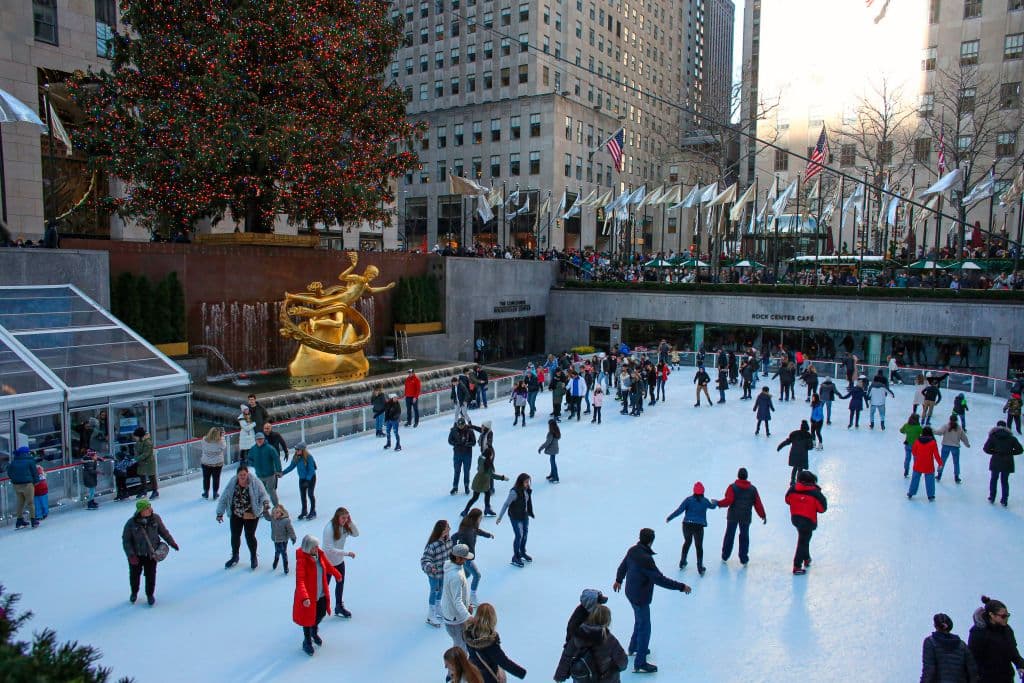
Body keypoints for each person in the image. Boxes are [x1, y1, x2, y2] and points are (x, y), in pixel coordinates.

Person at [613, 527, 691, 674]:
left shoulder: (632, 551)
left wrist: (618, 580)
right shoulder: (646, 559)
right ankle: (640, 662)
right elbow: (660, 579)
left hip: (630, 592)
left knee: (639, 621)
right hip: (640, 597)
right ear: (651, 541)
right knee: (645, 628)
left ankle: (633, 647)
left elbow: (623, 566)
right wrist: (681, 587)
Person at [122, 499, 179, 605]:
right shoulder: (131, 523)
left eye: (150, 507)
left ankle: (150, 594)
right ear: (141, 511)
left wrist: (172, 543)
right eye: (147, 508)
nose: (150, 509)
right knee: (134, 575)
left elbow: (164, 532)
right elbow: (126, 541)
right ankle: (134, 592)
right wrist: (131, 555)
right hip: (137, 555)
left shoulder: (155, 519)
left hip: (151, 554)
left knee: (151, 575)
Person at [293, 535, 342, 656]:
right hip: (308, 596)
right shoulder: (302, 561)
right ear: (308, 548)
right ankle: (307, 640)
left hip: (321, 593)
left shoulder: (320, 555)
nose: (316, 548)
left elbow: (328, 566)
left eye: (317, 546)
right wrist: (305, 597)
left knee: (321, 613)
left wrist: (336, 574)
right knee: (307, 619)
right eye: (314, 547)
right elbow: (300, 581)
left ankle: (314, 631)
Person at [216, 464, 271, 569]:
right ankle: (235, 556)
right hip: (236, 513)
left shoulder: (255, 482)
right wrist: (220, 513)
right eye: (240, 475)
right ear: (237, 475)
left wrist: (265, 503)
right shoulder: (233, 483)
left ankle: (253, 556)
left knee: (249, 536)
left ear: (247, 474)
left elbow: (263, 494)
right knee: (235, 535)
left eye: (244, 474)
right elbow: (224, 497)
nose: (242, 476)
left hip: (251, 514)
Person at [555, 604, 629, 682]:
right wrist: (612, 669)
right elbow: (623, 662)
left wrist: (559, 677)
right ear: (607, 620)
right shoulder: (609, 639)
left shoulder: (577, 636)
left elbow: (566, 657)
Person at [464, 603, 526, 683]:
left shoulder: (468, 632)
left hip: (473, 671)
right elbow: (504, 662)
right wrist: (522, 673)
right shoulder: (490, 644)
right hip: (487, 676)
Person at [665, 482, 718, 574]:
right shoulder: (705, 501)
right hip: (698, 526)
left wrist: (670, 517)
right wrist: (715, 502)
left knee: (687, 542)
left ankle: (682, 562)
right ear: (703, 491)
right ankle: (700, 567)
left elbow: (679, 510)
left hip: (687, 525)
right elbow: (712, 507)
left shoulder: (688, 500)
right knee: (699, 546)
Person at [717, 467, 767, 565]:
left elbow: (728, 501)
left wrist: (718, 503)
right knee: (744, 536)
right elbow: (758, 504)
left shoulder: (732, 487)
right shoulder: (753, 489)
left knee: (729, 535)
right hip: (745, 516)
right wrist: (763, 515)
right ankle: (743, 558)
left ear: (738, 476)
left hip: (733, 516)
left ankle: (725, 555)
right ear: (746, 476)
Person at [968, 595, 1024, 681]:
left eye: (1007, 615)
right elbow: (973, 658)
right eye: (1003, 616)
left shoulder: (1007, 630)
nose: (1006, 618)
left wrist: (1020, 665)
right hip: (986, 678)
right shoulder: (978, 632)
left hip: (1006, 677)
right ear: (991, 615)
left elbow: (1012, 650)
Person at [784, 470, 827, 575]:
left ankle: (806, 558)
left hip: (796, 519)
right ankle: (797, 565)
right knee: (803, 541)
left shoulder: (793, 489)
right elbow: (822, 508)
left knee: (803, 538)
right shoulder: (815, 493)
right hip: (808, 520)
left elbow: (787, 499)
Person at [322, 507, 358, 618]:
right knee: (324, 587)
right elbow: (329, 549)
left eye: (347, 518)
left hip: (339, 561)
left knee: (340, 584)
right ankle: (319, 607)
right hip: (327, 562)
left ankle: (338, 606)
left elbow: (356, 534)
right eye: (343, 518)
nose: (345, 520)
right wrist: (346, 553)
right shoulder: (329, 529)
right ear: (337, 517)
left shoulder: (345, 526)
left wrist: (350, 522)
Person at [921, 612, 978, 682]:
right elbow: (972, 670)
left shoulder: (930, 642)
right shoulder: (962, 645)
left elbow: (929, 670)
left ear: (935, 626)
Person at [453, 509, 493, 606]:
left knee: (466, 575)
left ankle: (456, 592)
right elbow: (454, 537)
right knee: (477, 575)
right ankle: (472, 597)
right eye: (480, 517)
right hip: (465, 557)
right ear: (476, 518)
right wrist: (456, 550)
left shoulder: (471, 527)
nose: (481, 518)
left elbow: (477, 531)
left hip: (466, 556)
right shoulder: (467, 530)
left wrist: (488, 535)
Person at [442, 543, 476, 651]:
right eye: (464, 558)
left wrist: (468, 604)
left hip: (455, 615)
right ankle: (457, 667)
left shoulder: (453, 565)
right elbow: (457, 601)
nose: (466, 560)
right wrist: (469, 617)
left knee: (462, 646)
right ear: (457, 557)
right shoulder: (456, 576)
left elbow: (461, 593)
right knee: (461, 649)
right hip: (455, 620)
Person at [496, 473, 534, 567]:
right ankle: (515, 557)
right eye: (526, 482)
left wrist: (529, 512)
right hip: (515, 517)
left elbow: (527, 502)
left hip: (524, 515)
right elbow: (506, 504)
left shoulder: (526, 490)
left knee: (525, 534)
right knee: (519, 535)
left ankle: (522, 552)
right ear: (521, 482)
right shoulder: (514, 492)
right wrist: (500, 517)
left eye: (528, 481)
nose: (528, 483)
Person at [421, 519, 454, 627]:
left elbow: (451, 555)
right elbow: (425, 560)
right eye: (447, 527)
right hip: (434, 574)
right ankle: (431, 615)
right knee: (434, 591)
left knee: (441, 590)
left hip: (444, 572)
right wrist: (431, 567)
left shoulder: (449, 541)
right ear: (442, 530)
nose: (449, 528)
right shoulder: (433, 545)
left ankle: (438, 608)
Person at [984, 420, 1023, 506]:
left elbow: (986, 449)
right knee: (1005, 481)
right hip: (1007, 461)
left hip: (996, 460)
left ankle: (992, 497)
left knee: (994, 479)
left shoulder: (993, 437)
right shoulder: (1012, 438)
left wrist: (994, 452)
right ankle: (1004, 500)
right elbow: (1020, 450)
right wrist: (1010, 453)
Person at [463, 447, 506, 517]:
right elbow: (492, 475)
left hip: (481, 481)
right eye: (492, 454)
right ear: (489, 455)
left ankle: (487, 508)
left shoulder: (481, 459)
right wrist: (502, 478)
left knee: (487, 494)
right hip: (480, 483)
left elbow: (481, 457)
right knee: (475, 497)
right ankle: (466, 510)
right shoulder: (487, 464)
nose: (492, 456)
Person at [248, 431, 282, 507]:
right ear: (255, 440)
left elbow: (276, 459)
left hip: (270, 474)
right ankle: (263, 509)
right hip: (259, 475)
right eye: (258, 439)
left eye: (261, 439)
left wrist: (279, 470)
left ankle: (276, 507)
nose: (259, 440)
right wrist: (254, 464)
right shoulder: (253, 449)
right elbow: (249, 459)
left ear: (264, 439)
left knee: (271, 490)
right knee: (261, 492)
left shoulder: (269, 448)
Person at [908, 426, 942, 501]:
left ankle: (911, 492)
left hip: (918, 463)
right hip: (928, 464)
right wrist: (940, 463)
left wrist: (918, 456)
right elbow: (936, 454)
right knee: (930, 480)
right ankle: (930, 495)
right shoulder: (933, 442)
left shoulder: (917, 441)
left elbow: (913, 451)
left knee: (915, 479)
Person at [778, 420, 815, 486]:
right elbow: (810, 447)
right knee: (800, 469)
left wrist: (780, 446)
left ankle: (792, 480)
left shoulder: (794, 434)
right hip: (802, 455)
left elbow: (787, 441)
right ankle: (798, 482)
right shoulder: (808, 436)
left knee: (795, 468)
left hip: (794, 454)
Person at [936, 415, 971, 484]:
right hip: (955, 447)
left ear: (949, 419)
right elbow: (964, 437)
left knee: (942, 461)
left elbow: (939, 432)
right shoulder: (959, 428)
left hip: (946, 446)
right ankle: (956, 477)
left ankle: (939, 475)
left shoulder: (946, 426)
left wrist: (931, 430)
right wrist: (967, 444)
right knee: (956, 462)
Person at [449, 418, 478, 495]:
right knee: (457, 471)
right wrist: (455, 443)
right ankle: (455, 487)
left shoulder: (470, 431)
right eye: (459, 425)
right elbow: (449, 440)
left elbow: (474, 442)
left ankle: (466, 486)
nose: (460, 426)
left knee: (466, 471)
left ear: (464, 424)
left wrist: (467, 444)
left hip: (467, 454)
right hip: (457, 454)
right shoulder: (453, 430)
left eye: (462, 425)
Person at [267, 503, 297, 573]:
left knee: (283, 553)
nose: (275, 514)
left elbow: (290, 530)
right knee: (277, 551)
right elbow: (267, 517)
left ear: (281, 512)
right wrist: (265, 510)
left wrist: (293, 537)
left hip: (283, 540)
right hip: (276, 539)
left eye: (277, 512)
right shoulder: (272, 519)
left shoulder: (285, 521)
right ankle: (276, 560)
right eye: (273, 513)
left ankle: (285, 566)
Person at [200, 427, 226, 499]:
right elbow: (224, 446)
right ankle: (215, 493)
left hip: (206, 462)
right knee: (216, 478)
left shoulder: (204, 440)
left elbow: (203, 446)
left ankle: (206, 492)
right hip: (217, 463)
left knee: (206, 478)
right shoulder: (220, 442)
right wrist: (223, 436)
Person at [133, 426, 158, 499]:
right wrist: (136, 457)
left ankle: (155, 491)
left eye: (136, 436)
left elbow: (146, 453)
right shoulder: (138, 442)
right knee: (141, 476)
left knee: (151, 476)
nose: (135, 438)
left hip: (148, 462)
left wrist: (137, 458)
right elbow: (137, 451)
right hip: (141, 462)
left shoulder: (148, 442)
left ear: (140, 436)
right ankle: (144, 490)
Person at [901, 413, 924, 479]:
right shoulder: (918, 428)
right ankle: (916, 471)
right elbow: (923, 433)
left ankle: (906, 470)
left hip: (908, 444)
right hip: (916, 446)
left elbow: (901, 430)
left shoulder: (906, 425)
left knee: (907, 458)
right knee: (916, 459)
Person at [539, 419, 561, 483]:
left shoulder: (551, 433)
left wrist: (541, 448)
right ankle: (552, 474)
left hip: (552, 449)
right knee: (552, 462)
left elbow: (547, 443)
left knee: (553, 463)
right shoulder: (557, 431)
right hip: (555, 449)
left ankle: (556, 477)